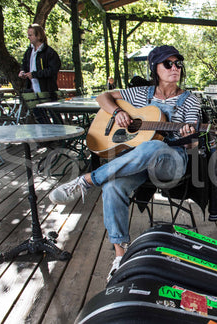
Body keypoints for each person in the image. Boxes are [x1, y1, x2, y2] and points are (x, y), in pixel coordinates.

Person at [48, 45, 202, 279]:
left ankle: (87, 180)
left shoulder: (191, 101)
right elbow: (103, 97)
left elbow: (192, 145)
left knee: (156, 145)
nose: (175, 68)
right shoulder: (142, 93)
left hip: (171, 161)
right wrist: (117, 113)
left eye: (178, 63)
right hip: (138, 160)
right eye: (168, 64)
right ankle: (121, 256)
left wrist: (189, 136)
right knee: (112, 186)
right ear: (155, 68)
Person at [18, 23, 61, 123]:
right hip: (32, 90)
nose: (28, 37)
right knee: (40, 118)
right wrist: (22, 72)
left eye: (30, 35)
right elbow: (24, 65)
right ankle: (47, 138)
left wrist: (35, 74)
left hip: (47, 90)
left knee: (55, 117)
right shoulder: (29, 51)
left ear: (39, 36)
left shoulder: (49, 52)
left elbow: (53, 70)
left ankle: (60, 138)